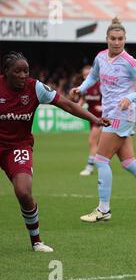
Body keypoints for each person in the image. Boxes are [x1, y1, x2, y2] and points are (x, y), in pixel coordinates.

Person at [0, 51, 110, 252]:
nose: (23, 75)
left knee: (24, 192)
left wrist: (94, 119)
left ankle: (36, 242)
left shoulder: (35, 88)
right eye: (18, 72)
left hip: (18, 147)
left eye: (26, 71)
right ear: (6, 71)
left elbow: (67, 104)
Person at [70, 17, 136, 223]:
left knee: (100, 160)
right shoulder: (100, 57)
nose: (117, 42)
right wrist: (81, 88)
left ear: (125, 39)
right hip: (109, 114)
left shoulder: (131, 62)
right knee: (128, 162)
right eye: (113, 38)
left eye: (121, 39)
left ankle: (103, 209)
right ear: (106, 38)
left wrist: (129, 97)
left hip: (122, 115)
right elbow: (93, 77)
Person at [78, 65, 103, 176]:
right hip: (91, 117)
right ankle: (102, 164)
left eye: (89, 74)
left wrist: (104, 108)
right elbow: (82, 101)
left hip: (101, 118)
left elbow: (111, 100)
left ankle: (89, 168)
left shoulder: (100, 86)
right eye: (84, 75)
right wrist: (74, 107)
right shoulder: (84, 88)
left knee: (92, 142)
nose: (86, 76)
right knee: (99, 143)